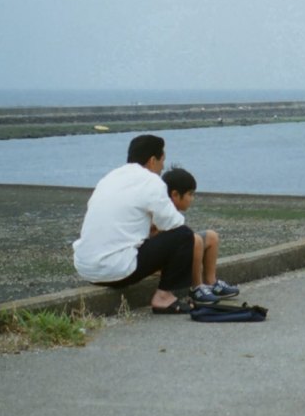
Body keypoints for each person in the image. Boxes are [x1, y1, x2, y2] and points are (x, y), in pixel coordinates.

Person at [72, 134, 232, 314]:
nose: (163, 167)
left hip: (87, 268)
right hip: (116, 271)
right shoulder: (150, 181)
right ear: (152, 160)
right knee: (184, 235)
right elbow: (174, 224)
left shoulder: (108, 179)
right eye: (162, 161)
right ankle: (163, 297)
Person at [160, 167, 238, 303]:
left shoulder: (175, 213)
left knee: (211, 237)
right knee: (195, 240)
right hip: (163, 259)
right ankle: (196, 287)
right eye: (190, 194)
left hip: (175, 251)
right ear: (175, 195)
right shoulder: (162, 212)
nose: (192, 199)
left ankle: (211, 282)